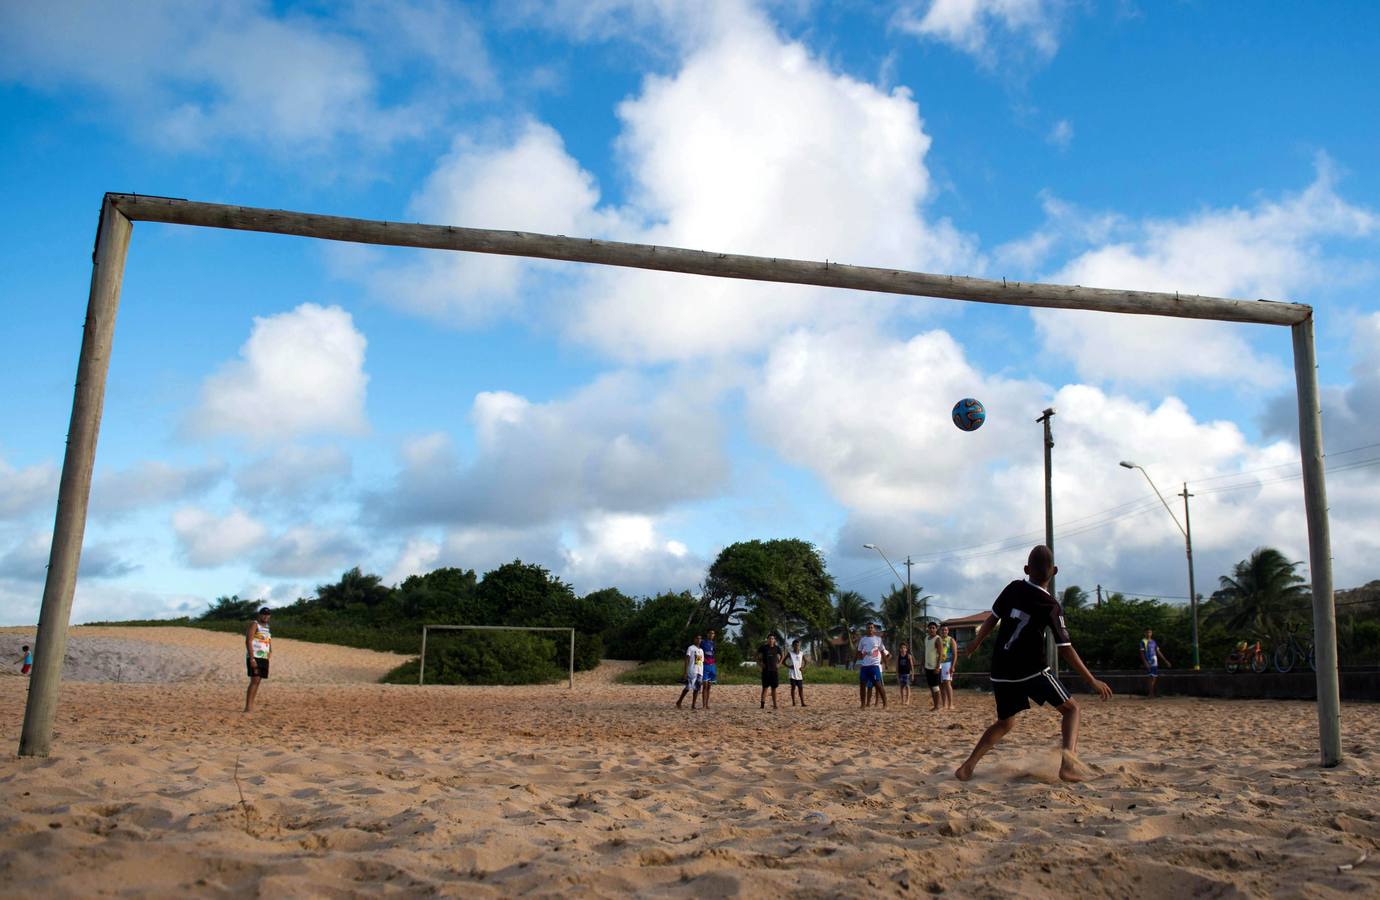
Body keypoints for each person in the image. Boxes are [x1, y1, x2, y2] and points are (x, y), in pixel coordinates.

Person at [955, 546, 1113, 783]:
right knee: (1072, 710)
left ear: (1027, 569)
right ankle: (1068, 766)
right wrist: (1091, 680)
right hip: (1031, 669)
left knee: (1005, 722)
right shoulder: (1051, 606)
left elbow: (992, 618)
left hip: (1001, 670)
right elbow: (1066, 649)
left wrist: (976, 642)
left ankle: (967, 767)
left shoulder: (1013, 588)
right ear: (1055, 571)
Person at [244, 607, 272, 713]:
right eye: (264, 614)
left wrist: (270, 651)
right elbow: (248, 641)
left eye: (268, 614)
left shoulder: (267, 627)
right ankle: (248, 706)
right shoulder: (254, 624)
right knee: (254, 680)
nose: (266, 616)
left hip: (263, 656)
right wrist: (251, 658)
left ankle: (251, 704)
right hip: (255, 656)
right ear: (259, 615)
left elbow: (268, 640)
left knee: (258, 681)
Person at [856, 623, 888, 708]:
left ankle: (885, 703)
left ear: (874, 629)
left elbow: (882, 652)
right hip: (864, 666)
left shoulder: (878, 639)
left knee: (878, 684)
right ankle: (863, 704)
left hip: (874, 666)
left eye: (871, 628)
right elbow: (858, 652)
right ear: (866, 629)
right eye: (868, 628)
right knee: (862, 685)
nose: (870, 629)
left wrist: (885, 663)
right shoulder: (863, 640)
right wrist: (859, 658)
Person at [1141, 628, 1171, 699]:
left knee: (1154, 677)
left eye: (1150, 632)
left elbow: (1158, 652)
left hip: (1155, 661)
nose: (1148, 634)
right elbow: (1142, 653)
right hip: (1148, 661)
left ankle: (1152, 693)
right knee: (1150, 677)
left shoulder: (1154, 642)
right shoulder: (1143, 641)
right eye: (1147, 632)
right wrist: (1145, 662)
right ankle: (1151, 694)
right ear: (1144, 633)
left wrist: (1165, 660)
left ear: (1151, 633)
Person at [676, 635, 705, 709]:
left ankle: (693, 705)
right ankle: (679, 701)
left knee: (697, 688)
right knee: (688, 687)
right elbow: (687, 660)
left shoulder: (701, 650)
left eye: (700, 638)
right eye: (697, 638)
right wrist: (685, 672)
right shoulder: (691, 648)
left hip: (699, 671)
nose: (699, 640)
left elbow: (700, 661)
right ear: (694, 639)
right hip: (692, 670)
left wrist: (701, 671)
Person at [937, 625, 959, 710]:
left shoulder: (951, 640)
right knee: (941, 685)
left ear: (948, 631)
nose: (944, 631)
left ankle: (951, 704)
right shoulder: (938, 639)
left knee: (947, 683)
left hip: (947, 663)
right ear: (940, 631)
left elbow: (955, 654)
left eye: (945, 630)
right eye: (942, 630)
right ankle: (944, 704)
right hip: (939, 663)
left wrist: (953, 666)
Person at [758, 634, 782, 709]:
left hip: (774, 671)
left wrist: (779, 663)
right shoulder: (763, 647)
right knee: (765, 688)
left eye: (772, 639)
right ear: (767, 639)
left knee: (774, 688)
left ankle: (775, 705)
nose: (771, 640)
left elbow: (782, 655)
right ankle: (762, 705)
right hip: (766, 671)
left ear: (774, 640)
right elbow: (756, 655)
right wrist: (760, 663)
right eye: (769, 638)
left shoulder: (777, 648)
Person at [922, 621, 941, 710]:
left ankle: (937, 706)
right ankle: (935, 705)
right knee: (930, 686)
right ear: (928, 629)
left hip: (935, 667)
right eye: (930, 628)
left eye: (933, 628)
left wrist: (937, 666)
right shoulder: (926, 638)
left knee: (935, 687)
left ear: (936, 629)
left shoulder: (938, 639)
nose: (932, 629)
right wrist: (923, 664)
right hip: (927, 666)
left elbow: (940, 654)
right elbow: (925, 652)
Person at [701, 628, 719, 709]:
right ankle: (703, 705)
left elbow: (713, 653)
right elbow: (698, 652)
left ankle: (707, 704)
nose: (712, 635)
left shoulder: (714, 643)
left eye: (713, 633)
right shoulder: (703, 642)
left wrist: (714, 663)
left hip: (712, 665)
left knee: (709, 686)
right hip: (705, 665)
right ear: (707, 634)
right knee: (704, 686)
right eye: (710, 633)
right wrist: (700, 662)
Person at [786, 639, 807, 706]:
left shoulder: (801, 653)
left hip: (799, 674)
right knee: (793, 687)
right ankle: (793, 702)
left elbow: (806, 661)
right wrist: (789, 666)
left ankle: (802, 703)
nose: (797, 646)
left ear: (799, 646)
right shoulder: (790, 653)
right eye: (795, 645)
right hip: (792, 674)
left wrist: (803, 667)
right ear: (793, 646)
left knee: (800, 688)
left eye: (798, 645)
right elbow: (783, 661)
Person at [896, 642, 914, 707]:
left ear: (906, 649)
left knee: (907, 686)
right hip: (901, 674)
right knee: (901, 687)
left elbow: (911, 666)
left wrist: (912, 674)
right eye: (902, 648)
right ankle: (902, 700)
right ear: (900, 649)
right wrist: (897, 675)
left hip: (907, 674)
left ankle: (907, 700)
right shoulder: (898, 656)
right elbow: (897, 666)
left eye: (904, 648)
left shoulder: (909, 656)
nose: (903, 649)